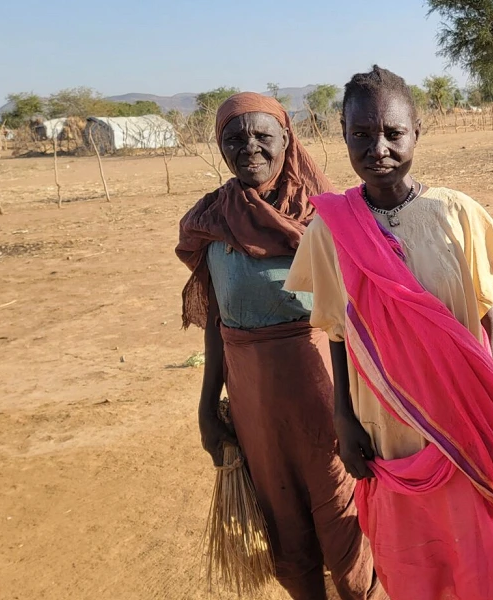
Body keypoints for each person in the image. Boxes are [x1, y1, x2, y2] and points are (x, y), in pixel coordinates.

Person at [284, 66, 493, 600]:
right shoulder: (330, 229)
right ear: (345, 137)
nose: (377, 147)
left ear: (417, 134)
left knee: (482, 558)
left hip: (467, 417)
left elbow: (487, 313)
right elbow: (338, 330)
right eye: (361, 134)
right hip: (385, 422)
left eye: (393, 133)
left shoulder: (457, 213)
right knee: (413, 562)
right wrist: (343, 416)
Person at [175, 92, 378, 600]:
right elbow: (217, 322)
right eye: (234, 138)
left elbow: (359, 314)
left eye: (263, 136)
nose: (249, 149)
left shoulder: (326, 215)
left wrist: (360, 407)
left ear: (287, 140)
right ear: (218, 144)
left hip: (327, 395)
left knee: (343, 518)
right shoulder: (212, 221)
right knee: (282, 521)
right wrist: (207, 409)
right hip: (253, 407)